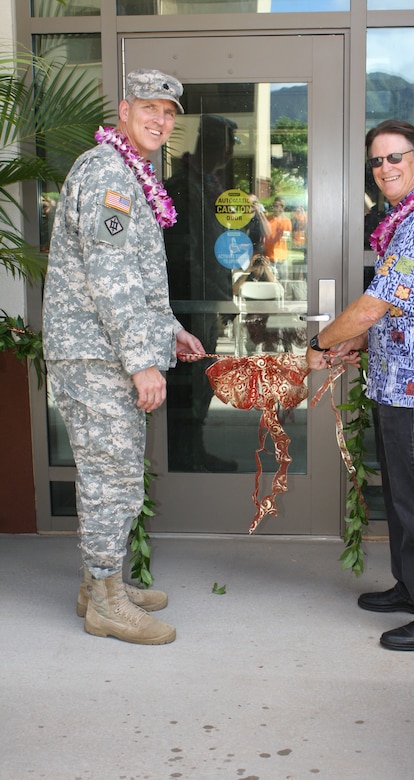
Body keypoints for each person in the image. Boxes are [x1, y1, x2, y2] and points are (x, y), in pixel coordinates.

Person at [42, 69, 206, 645]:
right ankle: (107, 601)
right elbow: (111, 279)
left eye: (169, 112)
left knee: (110, 473)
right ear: (123, 109)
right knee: (112, 476)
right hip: (97, 356)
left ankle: (99, 585)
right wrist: (143, 361)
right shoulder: (110, 173)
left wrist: (170, 332)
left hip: (103, 348)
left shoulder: (128, 173)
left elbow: (135, 279)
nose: (160, 120)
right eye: (149, 109)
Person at [306, 119, 414, 652]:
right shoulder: (406, 219)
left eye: (395, 158)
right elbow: (404, 307)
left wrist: (323, 341)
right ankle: (412, 587)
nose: (385, 169)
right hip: (397, 377)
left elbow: (377, 302)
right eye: (376, 162)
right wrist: (357, 345)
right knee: (404, 496)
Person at [164, 114, 239, 472]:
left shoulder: (207, 184)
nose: (231, 150)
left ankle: (195, 454)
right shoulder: (182, 186)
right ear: (218, 145)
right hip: (191, 307)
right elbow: (185, 257)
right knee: (189, 389)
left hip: (207, 304)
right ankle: (184, 461)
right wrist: (212, 296)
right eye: (229, 142)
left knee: (202, 385)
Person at [264, 195, 292, 279]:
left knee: (284, 282)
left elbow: (286, 237)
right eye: (276, 206)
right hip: (269, 257)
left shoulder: (286, 221)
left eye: (281, 206)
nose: (278, 208)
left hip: (281, 256)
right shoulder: (267, 219)